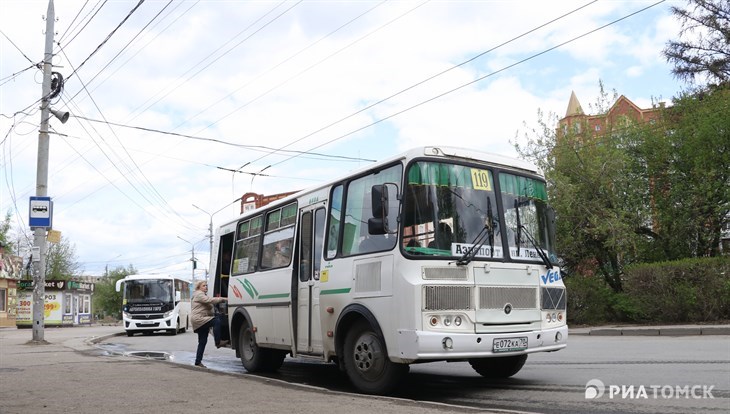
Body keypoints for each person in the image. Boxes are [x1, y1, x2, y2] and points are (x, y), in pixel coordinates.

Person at [191, 280, 228, 368]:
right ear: (199, 287)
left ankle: (198, 361)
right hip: (200, 319)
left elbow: (208, 307)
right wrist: (223, 299)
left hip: (200, 320)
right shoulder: (199, 294)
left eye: (206, 285)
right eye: (203, 285)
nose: (206, 287)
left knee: (202, 341)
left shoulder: (201, 295)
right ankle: (218, 342)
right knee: (216, 321)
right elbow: (210, 300)